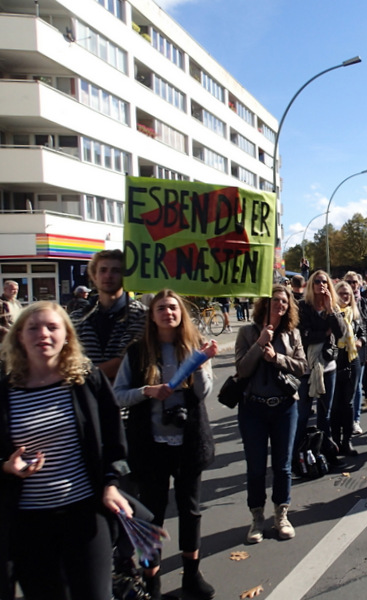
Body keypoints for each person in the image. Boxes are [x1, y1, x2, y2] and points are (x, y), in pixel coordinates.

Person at [0, 302, 131, 600]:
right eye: (33, 328)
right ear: (19, 336)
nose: (42, 334)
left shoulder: (86, 379)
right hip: (27, 522)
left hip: (84, 512)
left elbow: (114, 440)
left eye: (52, 327)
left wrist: (111, 483)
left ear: (67, 336)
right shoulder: (5, 390)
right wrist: (5, 466)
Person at [114, 290, 218, 600]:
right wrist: (147, 391)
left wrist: (199, 364)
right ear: (152, 314)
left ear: (181, 313)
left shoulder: (194, 348)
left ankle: (191, 574)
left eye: (173, 307)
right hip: (150, 445)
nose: (168, 312)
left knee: (190, 510)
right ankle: (152, 581)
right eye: (161, 307)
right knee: (152, 515)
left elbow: (202, 393)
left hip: (188, 442)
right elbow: (118, 394)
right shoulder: (137, 352)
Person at [234, 285, 306, 544]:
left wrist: (277, 358)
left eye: (284, 302)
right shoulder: (246, 332)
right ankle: (256, 518)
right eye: (275, 300)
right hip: (253, 407)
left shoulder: (292, 334)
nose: (280, 305)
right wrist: (260, 343)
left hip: (285, 407)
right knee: (255, 468)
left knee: (283, 465)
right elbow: (242, 370)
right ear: (265, 304)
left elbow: (302, 367)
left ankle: (281, 515)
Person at [70, 249, 148, 383]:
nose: (108, 275)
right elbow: (69, 357)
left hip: (127, 397)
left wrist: (81, 376)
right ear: (94, 275)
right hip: (86, 398)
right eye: (103, 270)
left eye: (116, 271)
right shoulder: (77, 318)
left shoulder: (141, 314)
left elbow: (125, 362)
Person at [295, 270, 346, 460]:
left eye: (324, 281)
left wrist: (330, 309)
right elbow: (303, 336)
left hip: (328, 366)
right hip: (307, 367)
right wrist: (325, 333)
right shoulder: (302, 306)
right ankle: (298, 456)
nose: (320, 284)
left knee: (325, 413)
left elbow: (340, 333)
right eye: (316, 281)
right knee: (303, 414)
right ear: (311, 285)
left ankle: (326, 453)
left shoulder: (332, 306)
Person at [330, 282, 364, 456]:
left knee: (348, 403)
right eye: (342, 293)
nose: (345, 297)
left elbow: (363, 332)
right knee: (335, 404)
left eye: (348, 294)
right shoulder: (331, 314)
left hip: (352, 360)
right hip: (335, 361)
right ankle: (335, 441)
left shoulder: (355, 314)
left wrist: (360, 341)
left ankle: (346, 441)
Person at [343, 272, 367, 436]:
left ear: (360, 283)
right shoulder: (338, 303)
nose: (352, 284)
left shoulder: (365, 302)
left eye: (354, 282)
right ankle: (343, 420)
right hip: (341, 353)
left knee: (356, 387)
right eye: (348, 282)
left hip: (359, 351)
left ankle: (355, 420)